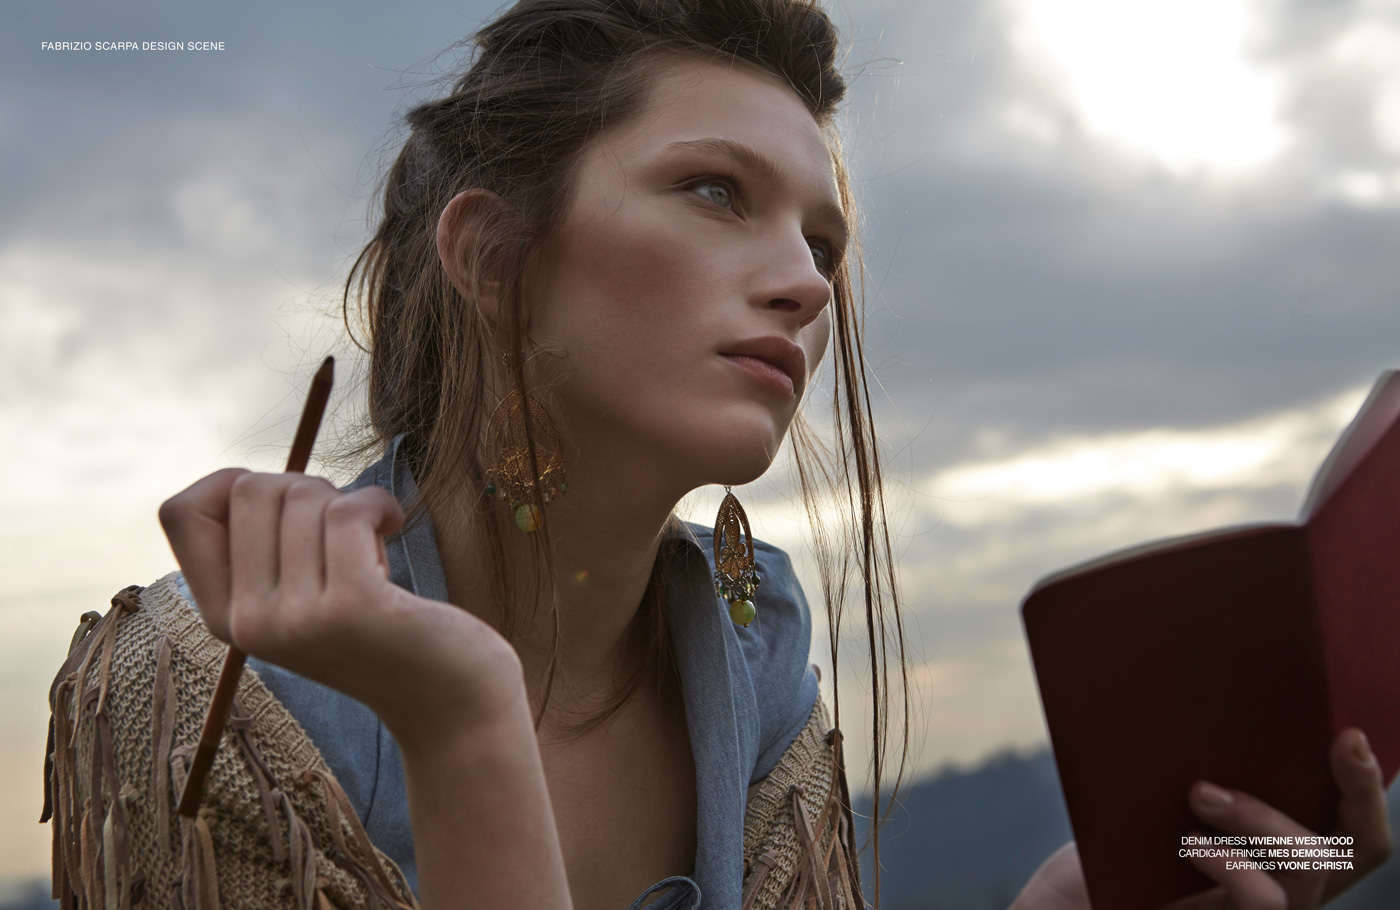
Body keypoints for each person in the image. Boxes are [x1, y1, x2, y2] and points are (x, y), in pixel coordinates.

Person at [45, 1, 1392, 908]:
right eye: (714, 191)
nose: (804, 284)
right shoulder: (203, 694)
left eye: (822, 240)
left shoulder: (759, 653)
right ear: (494, 257)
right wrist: (463, 721)